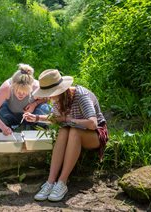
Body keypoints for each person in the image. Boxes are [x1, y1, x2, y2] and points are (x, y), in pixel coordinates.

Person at [23, 69, 109, 202]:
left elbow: (93, 123)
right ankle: (50, 182)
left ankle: (62, 182)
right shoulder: (59, 100)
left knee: (73, 131)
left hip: (95, 135)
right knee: (64, 131)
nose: (49, 98)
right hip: (72, 131)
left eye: (51, 94)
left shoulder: (81, 95)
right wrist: (36, 118)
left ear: (60, 90)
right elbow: (57, 118)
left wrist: (70, 120)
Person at [0, 63, 51, 136]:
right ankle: (5, 130)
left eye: (24, 92)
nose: (21, 94)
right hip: (11, 114)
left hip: (31, 116)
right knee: (1, 110)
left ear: (31, 87)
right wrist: (3, 127)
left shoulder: (36, 87)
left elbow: (47, 99)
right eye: (17, 91)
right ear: (12, 86)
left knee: (45, 109)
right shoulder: (7, 87)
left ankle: (35, 130)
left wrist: (34, 104)